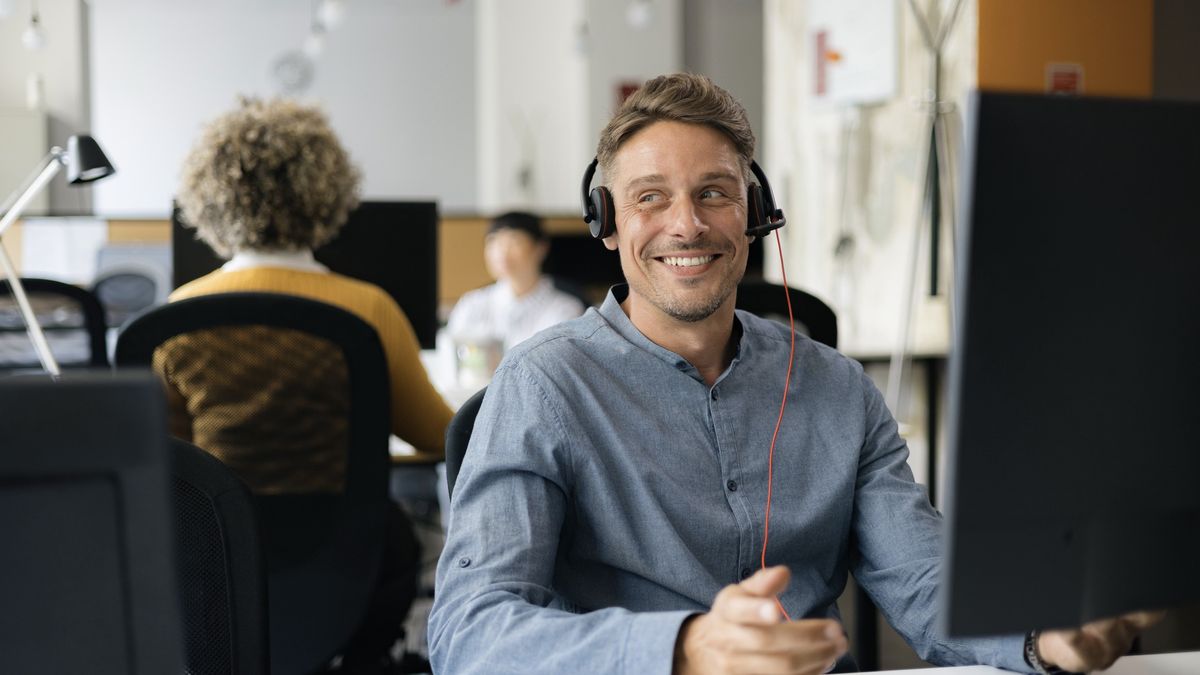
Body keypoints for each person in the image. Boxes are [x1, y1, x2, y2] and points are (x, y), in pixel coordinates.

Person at [427, 74, 1159, 675]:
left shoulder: (838, 388)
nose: (687, 224)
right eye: (651, 197)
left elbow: (922, 580)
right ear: (608, 222)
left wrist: (1038, 638)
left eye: (714, 192)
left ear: (755, 214)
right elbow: (471, 629)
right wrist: (684, 648)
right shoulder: (542, 387)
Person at [168, 97, 454, 671]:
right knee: (403, 536)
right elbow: (438, 434)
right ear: (326, 192)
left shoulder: (178, 316)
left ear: (209, 197)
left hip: (215, 556)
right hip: (348, 557)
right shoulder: (367, 307)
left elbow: (165, 457)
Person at [446, 211, 585, 354]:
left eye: (514, 241)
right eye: (494, 241)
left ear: (541, 248)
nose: (502, 251)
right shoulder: (471, 304)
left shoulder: (565, 309)